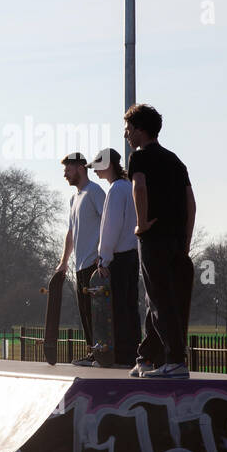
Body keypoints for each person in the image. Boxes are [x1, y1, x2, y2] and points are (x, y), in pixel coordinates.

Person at [125, 104, 195, 379]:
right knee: (162, 297)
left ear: (140, 130)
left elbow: (138, 187)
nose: (127, 134)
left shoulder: (139, 157)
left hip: (154, 237)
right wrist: (187, 241)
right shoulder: (175, 160)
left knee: (159, 298)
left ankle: (176, 360)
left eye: (129, 129)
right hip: (177, 240)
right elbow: (191, 202)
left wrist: (141, 224)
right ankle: (147, 357)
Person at [90, 148, 140, 368]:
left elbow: (111, 227)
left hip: (118, 257)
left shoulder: (116, 190)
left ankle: (120, 355)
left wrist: (104, 258)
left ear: (107, 165)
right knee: (131, 307)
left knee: (116, 309)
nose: (95, 171)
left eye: (98, 166)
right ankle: (133, 354)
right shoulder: (129, 187)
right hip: (133, 254)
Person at [54, 152, 106, 366]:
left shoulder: (95, 192)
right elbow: (71, 232)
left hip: (95, 263)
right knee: (84, 312)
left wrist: (103, 255)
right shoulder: (74, 198)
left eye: (68, 169)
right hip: (80, 264)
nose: (65, 174)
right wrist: (64, 261)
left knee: (97, 313)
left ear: (80, 168)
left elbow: (108, 222)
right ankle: (93, 353)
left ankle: (102, 354)